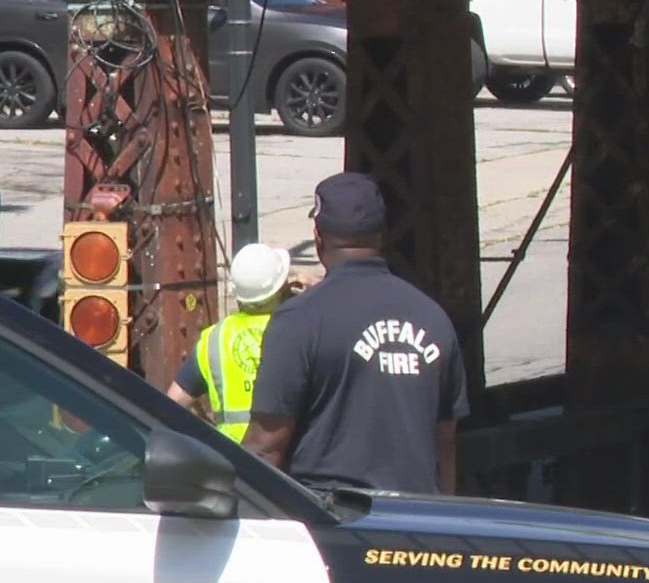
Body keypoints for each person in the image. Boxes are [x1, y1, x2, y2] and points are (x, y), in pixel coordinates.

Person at [243, 171, 469, 494]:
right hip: (414, 525)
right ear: (384, 236)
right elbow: (445, 442)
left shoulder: (299, 319)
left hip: (332, 525)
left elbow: (265, 447)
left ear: (318, 237)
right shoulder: (432, 318)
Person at [166, 241, 299, 441]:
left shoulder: (214, 338)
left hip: (233, 458)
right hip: (287, 455)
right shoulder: (299, 329)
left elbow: (173, 403)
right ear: (281, 287)